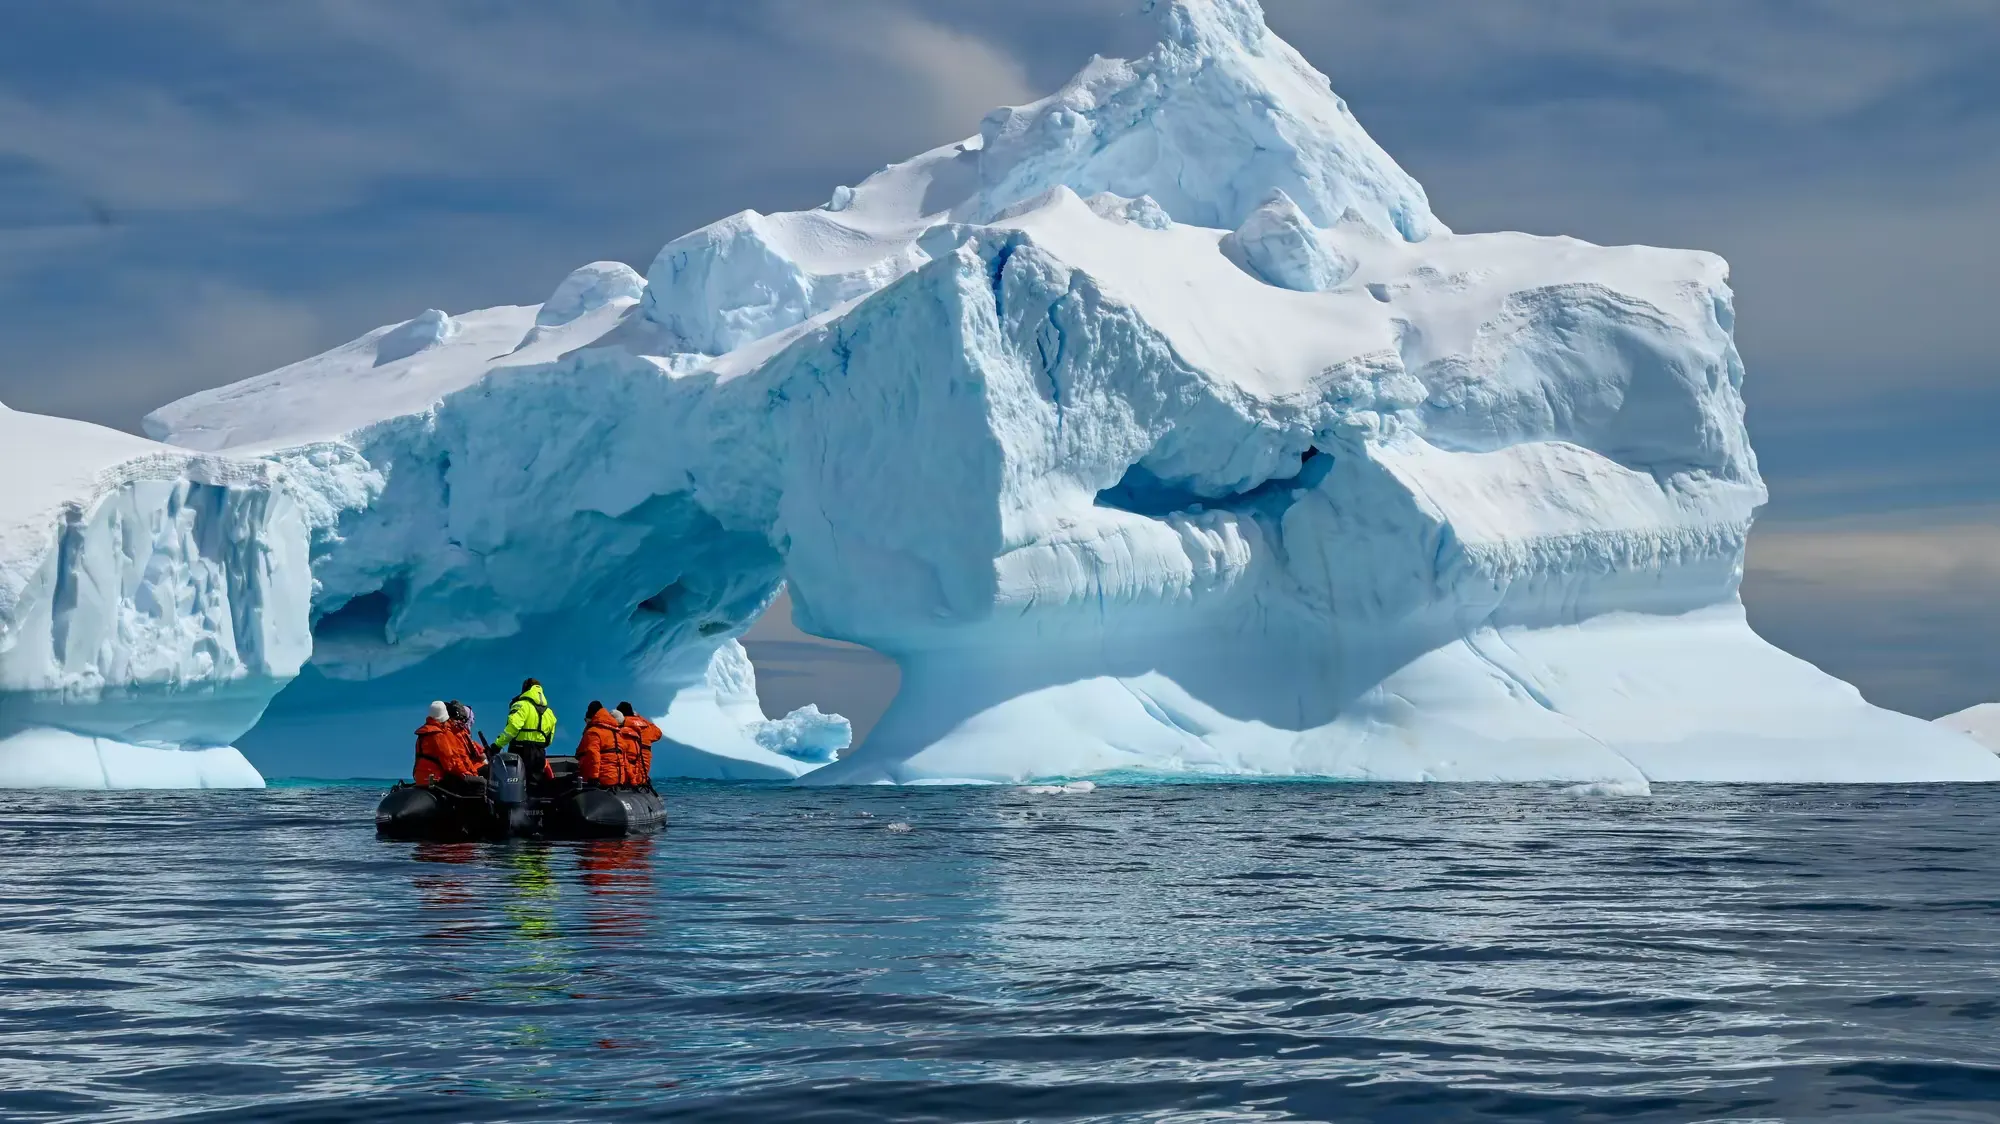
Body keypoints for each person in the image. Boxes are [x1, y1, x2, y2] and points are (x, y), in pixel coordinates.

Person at [494, 678, 558, 781]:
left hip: (520, 752)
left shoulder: (521, 705)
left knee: (517, 786)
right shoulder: (549, 713)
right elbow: (549, 740)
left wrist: (497, 745)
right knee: (535, 787)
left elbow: (512, 729)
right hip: (540, 753)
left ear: (525, 689)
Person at [413, 700, 483, 792]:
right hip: (437, 778)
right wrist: (469, 775)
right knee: (481, 784)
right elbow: (451, 763)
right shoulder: (439, 735)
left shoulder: (424, 733)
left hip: (421, 778)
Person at [573, 700, 624, 787]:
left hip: (602, 778)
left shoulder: (594, 732)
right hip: (618, 778)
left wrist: (593, 777)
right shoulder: (616, 731)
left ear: (591, 717)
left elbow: (593, 755)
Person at [614, 701, 661, 788]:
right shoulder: (646, 725)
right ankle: (640, 783)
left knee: (629, 773)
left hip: (631, 756)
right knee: (641, 777)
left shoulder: (622, 725)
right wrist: (640, 718)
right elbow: (658, 733)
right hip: (646, 757)